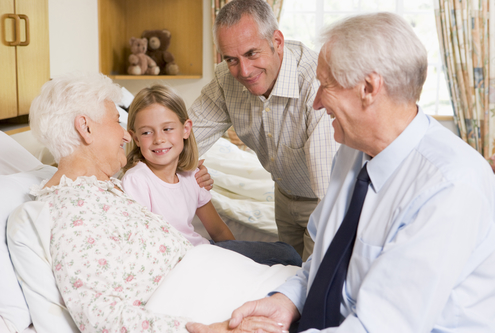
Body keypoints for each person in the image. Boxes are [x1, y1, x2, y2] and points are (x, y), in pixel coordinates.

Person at [187, 12, 495, 333]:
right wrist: (286, 301)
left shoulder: (450, 188)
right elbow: (323, 263)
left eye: (326, 85)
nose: (317, 102)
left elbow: (381, 326)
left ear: (369, 88)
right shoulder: (351, 152)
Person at [28, 72, 285, 333]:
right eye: (117, 120)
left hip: (210, 274)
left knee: (293, 267)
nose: (126, 137)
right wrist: (211, 330)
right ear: (85, 127)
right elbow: (99, 315)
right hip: (196, 301)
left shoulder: (103, 189)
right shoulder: (72, 211)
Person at [188, 0, 338, 261]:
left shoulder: (314, 83)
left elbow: (327, 189)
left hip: (322, 202)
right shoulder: (226, 79)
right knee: (288, 271)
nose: (244, 71)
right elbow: (185, 139)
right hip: (283, 194)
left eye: (252, 53)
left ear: (277, 42)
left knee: (313, 283)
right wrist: (181, 166)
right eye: (231, 59)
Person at [121, 84, 301, 266]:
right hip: (184, 261)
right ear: (135, 138)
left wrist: (239, 263)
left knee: (288, 253)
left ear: (186, 129)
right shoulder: (136, 180)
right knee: (287, 257)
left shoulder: (192, 176)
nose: (159, 139)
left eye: (167, 129)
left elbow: (219, 231)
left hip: (204, 251)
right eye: (146, 132)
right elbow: (141, 243)